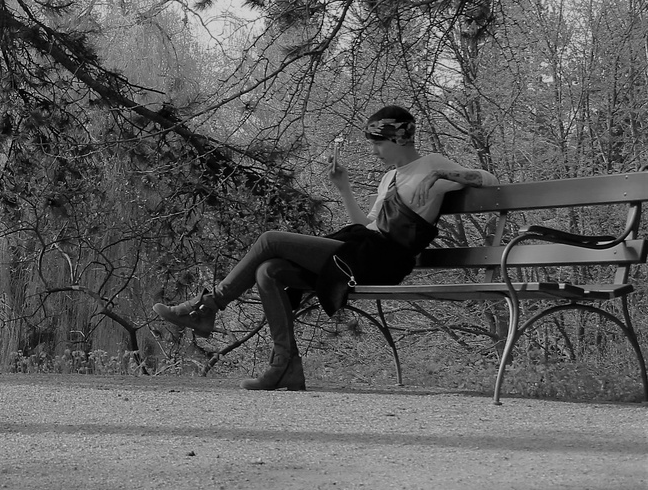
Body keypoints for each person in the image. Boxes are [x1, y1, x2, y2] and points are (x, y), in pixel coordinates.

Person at [152, 105, 497, 391]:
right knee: (268, 270)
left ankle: (207, 307)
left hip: (385, 259)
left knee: (271, 240)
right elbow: (368, 226)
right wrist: (344, 188)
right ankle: (285, 365)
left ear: (396, 137)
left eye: (377, 143)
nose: (374, 150)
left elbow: (489, 180)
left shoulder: (431, 164)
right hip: (363, 248)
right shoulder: (389, 178)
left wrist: (438, 179)